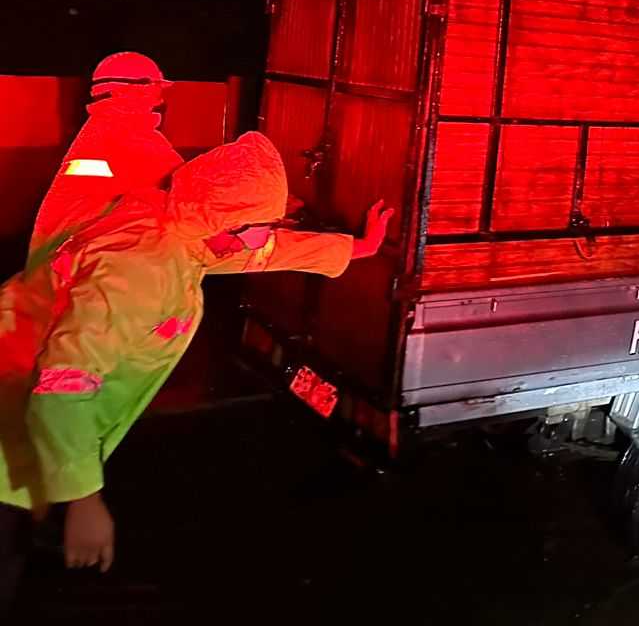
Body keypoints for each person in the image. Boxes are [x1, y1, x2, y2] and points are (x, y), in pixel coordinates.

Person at [0, 132, 390, 609]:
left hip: (32, 429)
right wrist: (84, 500)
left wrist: (358, 248)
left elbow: (256, 251)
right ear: (224, 220)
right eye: (261, 223)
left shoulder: (172, 225)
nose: (266, 234)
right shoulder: (141, 269)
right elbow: (63, 384)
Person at [28, 52, 182, 261]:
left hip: (65, 262)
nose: (160, 98)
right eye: (156, 88)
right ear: (139, 89)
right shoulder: (132, 135)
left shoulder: (99, 130)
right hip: (92, 264)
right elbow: (185, 194)